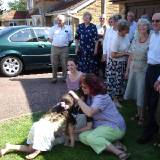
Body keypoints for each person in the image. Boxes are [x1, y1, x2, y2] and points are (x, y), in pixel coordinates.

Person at [69, 74, 130, 160]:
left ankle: (118, 152)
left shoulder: (101, 97)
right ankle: (114, 144)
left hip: (115, 127)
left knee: (91, 137)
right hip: (101, 127)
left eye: (85, 87)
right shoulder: (90, 96)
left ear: (92, 87)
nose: (82, 89)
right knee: (82, 136)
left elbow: (90, 113)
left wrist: (77, 99)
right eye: (81, 87)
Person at [0, 94, 75, 159]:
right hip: (45, 132)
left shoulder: (54, 109)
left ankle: (9, 146)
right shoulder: (68, 116)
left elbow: (54, 127)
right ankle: (37, 151)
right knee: (47, 144)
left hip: (37, 126)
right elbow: (70, 132)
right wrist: (72, 144)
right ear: (70, 107)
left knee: (30, 148)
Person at [137, 13, 160, 144]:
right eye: (153, 21)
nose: (155, 23)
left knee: (155, 103)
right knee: (148, 100)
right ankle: (149, 129)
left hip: (158, 71)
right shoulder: (152, 35)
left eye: (158, 21)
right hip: (150, 69)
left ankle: (153, 131)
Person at [124, 18, 151, 125]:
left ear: (148, 27)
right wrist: (127, 70)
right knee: (135, 92)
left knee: (141, 93)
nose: (142, 27)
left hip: (143, 71)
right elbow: (130, 55)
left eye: (144, 25)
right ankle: (138, 113)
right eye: (140, 26)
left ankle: (142, 116)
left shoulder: (151, 40)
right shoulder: (135, 39)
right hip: (133, 70)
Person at [106, 19, 130, 108]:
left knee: (120, 81)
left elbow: (127, 46)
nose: (128, 30)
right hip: (115, 64)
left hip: (123, 63)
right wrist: (125, 53)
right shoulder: (116, 39)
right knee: (115, 82)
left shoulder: (126, 36)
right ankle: (114, 100)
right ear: (122, 29)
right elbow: (113, 55)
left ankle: (118, 97)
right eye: (127, 29)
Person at [49, 14, 73, 83]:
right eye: (57, 20)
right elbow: (49, 38)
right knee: (54, 64)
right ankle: (54, 78)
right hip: (54, 48)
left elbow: (71, 39)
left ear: (64, 21)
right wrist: (55, 43)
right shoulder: (53, 28)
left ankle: (64, 78)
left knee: (64, 64)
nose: (58, 22)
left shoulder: (68, 28)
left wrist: (66, 45)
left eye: (60, 20)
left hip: (64, 48)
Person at [96, 14, 106, 79]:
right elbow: (95, 36)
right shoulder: (96, 26)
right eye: (101, 18)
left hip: (104, 45)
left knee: (104, 60)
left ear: (105, 19)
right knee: (97, 59)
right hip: (97, 45)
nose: (102, 19)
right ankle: (97, 74)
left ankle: (104, 75)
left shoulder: (107, 27)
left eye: (103, 18)